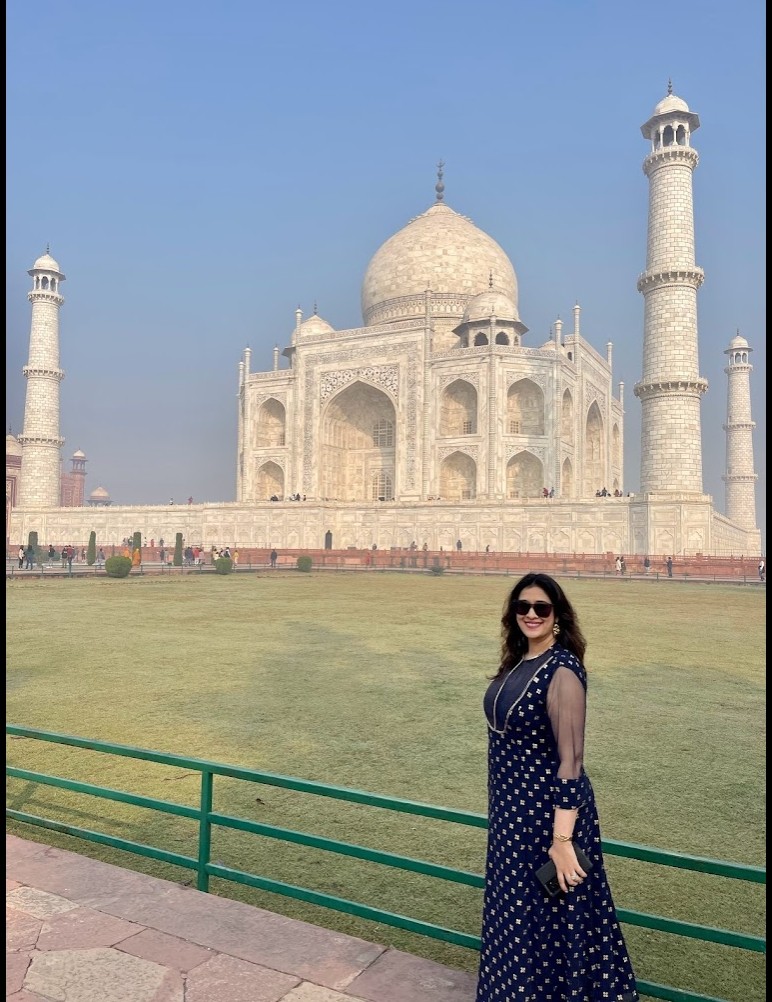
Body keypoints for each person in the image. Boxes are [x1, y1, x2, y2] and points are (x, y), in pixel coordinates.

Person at [478, 572, 638, 1001]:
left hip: (547, 824)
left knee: (549, 927)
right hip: (512, 821)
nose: (531, 614)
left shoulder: (561, 671)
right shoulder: (519, 663)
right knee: (517, 922)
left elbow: (572, 761)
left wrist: (562, 840)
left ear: (557, 617)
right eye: (522, 607)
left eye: (541, 608)